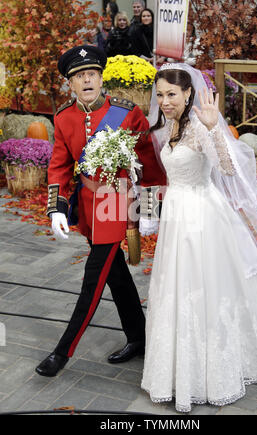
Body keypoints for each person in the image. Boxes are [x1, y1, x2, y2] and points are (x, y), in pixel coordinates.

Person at [140, 63, 257, 412]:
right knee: (176, 288)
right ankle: (179, 366)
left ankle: (213, 370)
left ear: (187, 93)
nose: (165, 101)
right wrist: (148, 212)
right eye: (161, 94)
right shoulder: (167, 127)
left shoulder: (199, 128)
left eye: (172, 94)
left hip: (201, 217)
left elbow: (228, 169)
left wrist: (215, 130)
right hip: (177, 217)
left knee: (204, 289)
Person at [35, 45, 166, 377]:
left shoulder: (127, 112)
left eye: (91, 73)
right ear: (71, 84)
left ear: (101, 76)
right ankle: (139, 337)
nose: (87, 80)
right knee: (116, 275)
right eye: (79, 76)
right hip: (88, 207)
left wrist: (149, 208)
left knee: (92, 282)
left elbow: (149, 164)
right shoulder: (64, 117)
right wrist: (57, 209)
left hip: (116, 203)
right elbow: (60, 166)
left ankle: (62, 353)